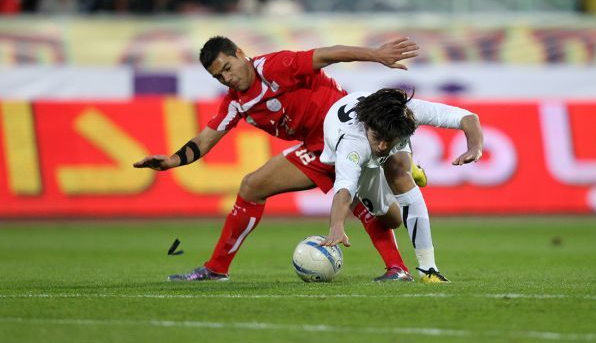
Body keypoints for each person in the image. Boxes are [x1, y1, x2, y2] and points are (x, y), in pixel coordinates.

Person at [133, 36, 427, 281]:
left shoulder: (274, 67)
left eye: (227, 68)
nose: (227, 78)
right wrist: (173, 161)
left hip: (348, 135)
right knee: (252, 186)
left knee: (378, 210)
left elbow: (328, 54)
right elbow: (205, 140)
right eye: (218, 76)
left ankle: (398, 261)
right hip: (316, 148)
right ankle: (216, 268)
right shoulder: (236, 102)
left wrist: (376, 55)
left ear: (240, 54)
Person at [320, 88, 484, 283]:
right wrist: (337, 224)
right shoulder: (351, 144)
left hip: (390, 139)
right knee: (391, 220)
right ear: (367, 126)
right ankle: (408, 164)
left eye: (388, 141)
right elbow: (344, 189)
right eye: (377, 138)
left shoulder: (408, 112)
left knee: (399, 173)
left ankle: (429, 269)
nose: (382, 146)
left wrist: (475, 147)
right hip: (359, 154)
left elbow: (468, 118)